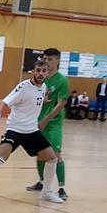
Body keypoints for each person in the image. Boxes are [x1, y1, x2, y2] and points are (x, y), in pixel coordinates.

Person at [0, 59, 64, 204]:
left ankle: (47, 192)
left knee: (52, 158)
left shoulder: (44, 87)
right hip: (15, 129)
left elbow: (35, 99)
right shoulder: (24, 86)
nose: (40, 73)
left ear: (47, 72)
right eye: (38, 70)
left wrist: (44, 101)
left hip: (31, 130)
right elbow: (5, 102)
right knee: (1, 157)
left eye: (44, 71)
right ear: (33, 71)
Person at [25, 47, 69, 200]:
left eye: (50, 59)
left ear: (57, 61)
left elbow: (61, 104)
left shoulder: (62, 80)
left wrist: (45, 120)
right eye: (45, 59)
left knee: (56, 155)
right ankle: (42, 182)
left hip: (53, 124)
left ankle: (62, 188)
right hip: (38, 122)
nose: (47, 62)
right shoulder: (41, 79)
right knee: (40, 154)